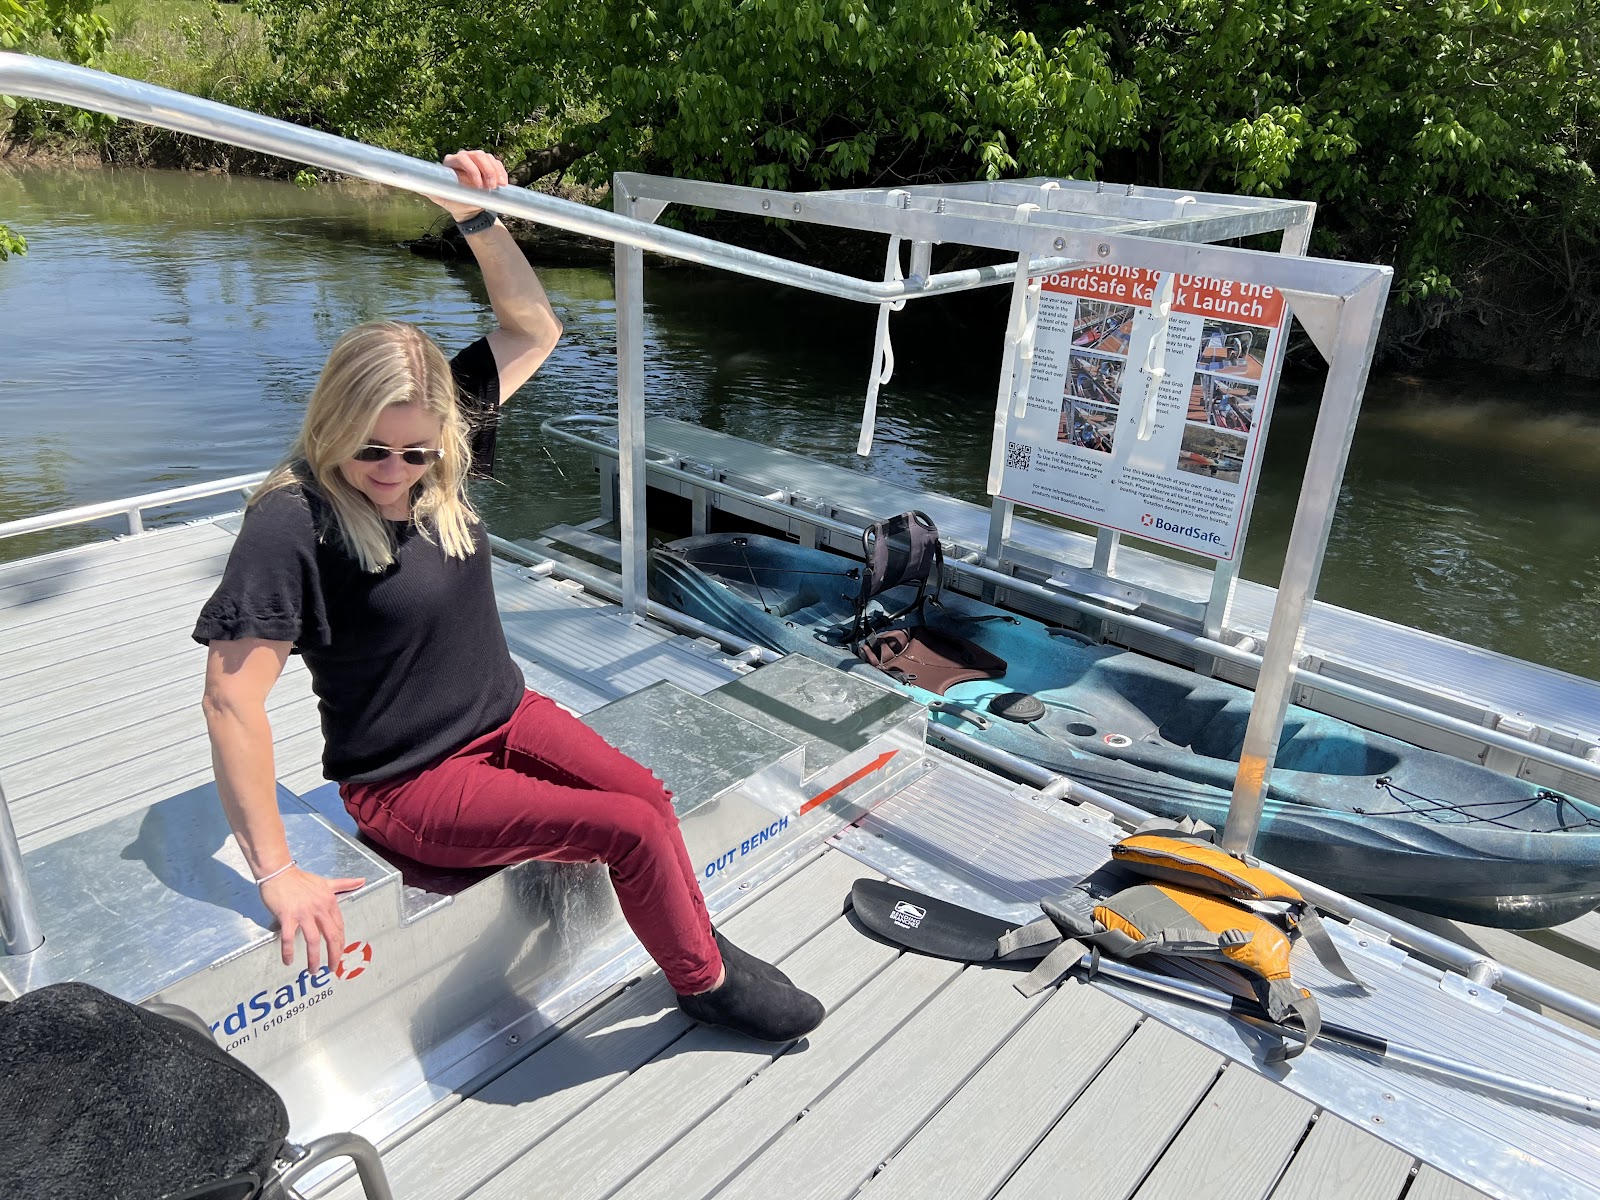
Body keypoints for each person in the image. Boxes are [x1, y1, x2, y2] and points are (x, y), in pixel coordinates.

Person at [193, 150, 824, 1044]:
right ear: (333, 424)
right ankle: (703, 979)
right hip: (406, 781)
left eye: (418, 454)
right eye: (374, 452)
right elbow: (230, 701)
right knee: (630, 833)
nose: (396, 476)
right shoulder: (293, 521)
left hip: (507, 715)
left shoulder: (433, 455)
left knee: (644, 794)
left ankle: (682, 931)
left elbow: (533, 329)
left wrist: (476, 217)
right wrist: (276, 872)